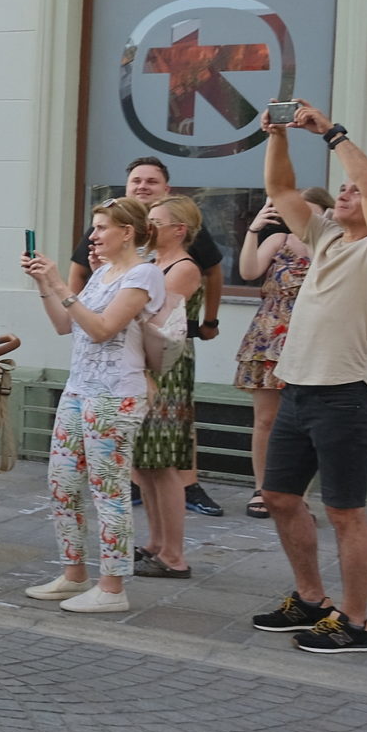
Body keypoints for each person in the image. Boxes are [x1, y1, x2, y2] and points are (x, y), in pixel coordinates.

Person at [249, 100, 367, 656]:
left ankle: (357, 622)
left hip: (346, 397)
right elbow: (281, 189)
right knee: (278, 496)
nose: (343, 194)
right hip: (297, 389)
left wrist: (332, 133)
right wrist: (276, 135)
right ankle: (311, 598)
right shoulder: (325, 238)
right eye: (339, 189)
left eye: (351, 191)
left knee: (345, 512)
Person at [20, 198, 163, 614]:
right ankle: (74, 574)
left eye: (101, 228)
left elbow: (102, 329)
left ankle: (112, 587)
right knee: (62, 484)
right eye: (94, 227)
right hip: (79, 389)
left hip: (115, 395)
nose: (93, 236)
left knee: (109, 490)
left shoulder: (144, 274)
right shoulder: (103, 272)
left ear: (127, 233)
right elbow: (65, 324)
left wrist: (61, 284)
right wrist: (45, 284)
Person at [67, 155, 230, 518]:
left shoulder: (176, 237)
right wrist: (86, 305)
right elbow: (80, 271)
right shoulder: (113, 228)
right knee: (145, 445)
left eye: (151, 181)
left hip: (156, 352)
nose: (142, 186)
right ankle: (145, 503)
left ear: (165, 189)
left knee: (166, 440)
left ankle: (186, 489)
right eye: (136, 181)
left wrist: (210, 321)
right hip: (122, 354)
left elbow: (197, 282)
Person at [231, 187, 333, 519]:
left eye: (309, 211)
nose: (301, 217)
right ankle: (261, 488)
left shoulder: (333, 247)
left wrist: (325, 235)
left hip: (312, 338)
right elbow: (248, 272)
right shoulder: (280, 240)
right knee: (266, 419)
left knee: (307, 421)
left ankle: (298, 494)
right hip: (269, 335)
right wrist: (254, 230)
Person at [131, 195, 205, 579]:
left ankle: (174, 554)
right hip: (145, 363)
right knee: (145, 464)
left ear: (179, 230)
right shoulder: (152, 262)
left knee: (163, 463)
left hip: (167, 368)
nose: (148, 228)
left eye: (155, 222)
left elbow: (155, 318)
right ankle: (156, 542)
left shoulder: (183, 268)